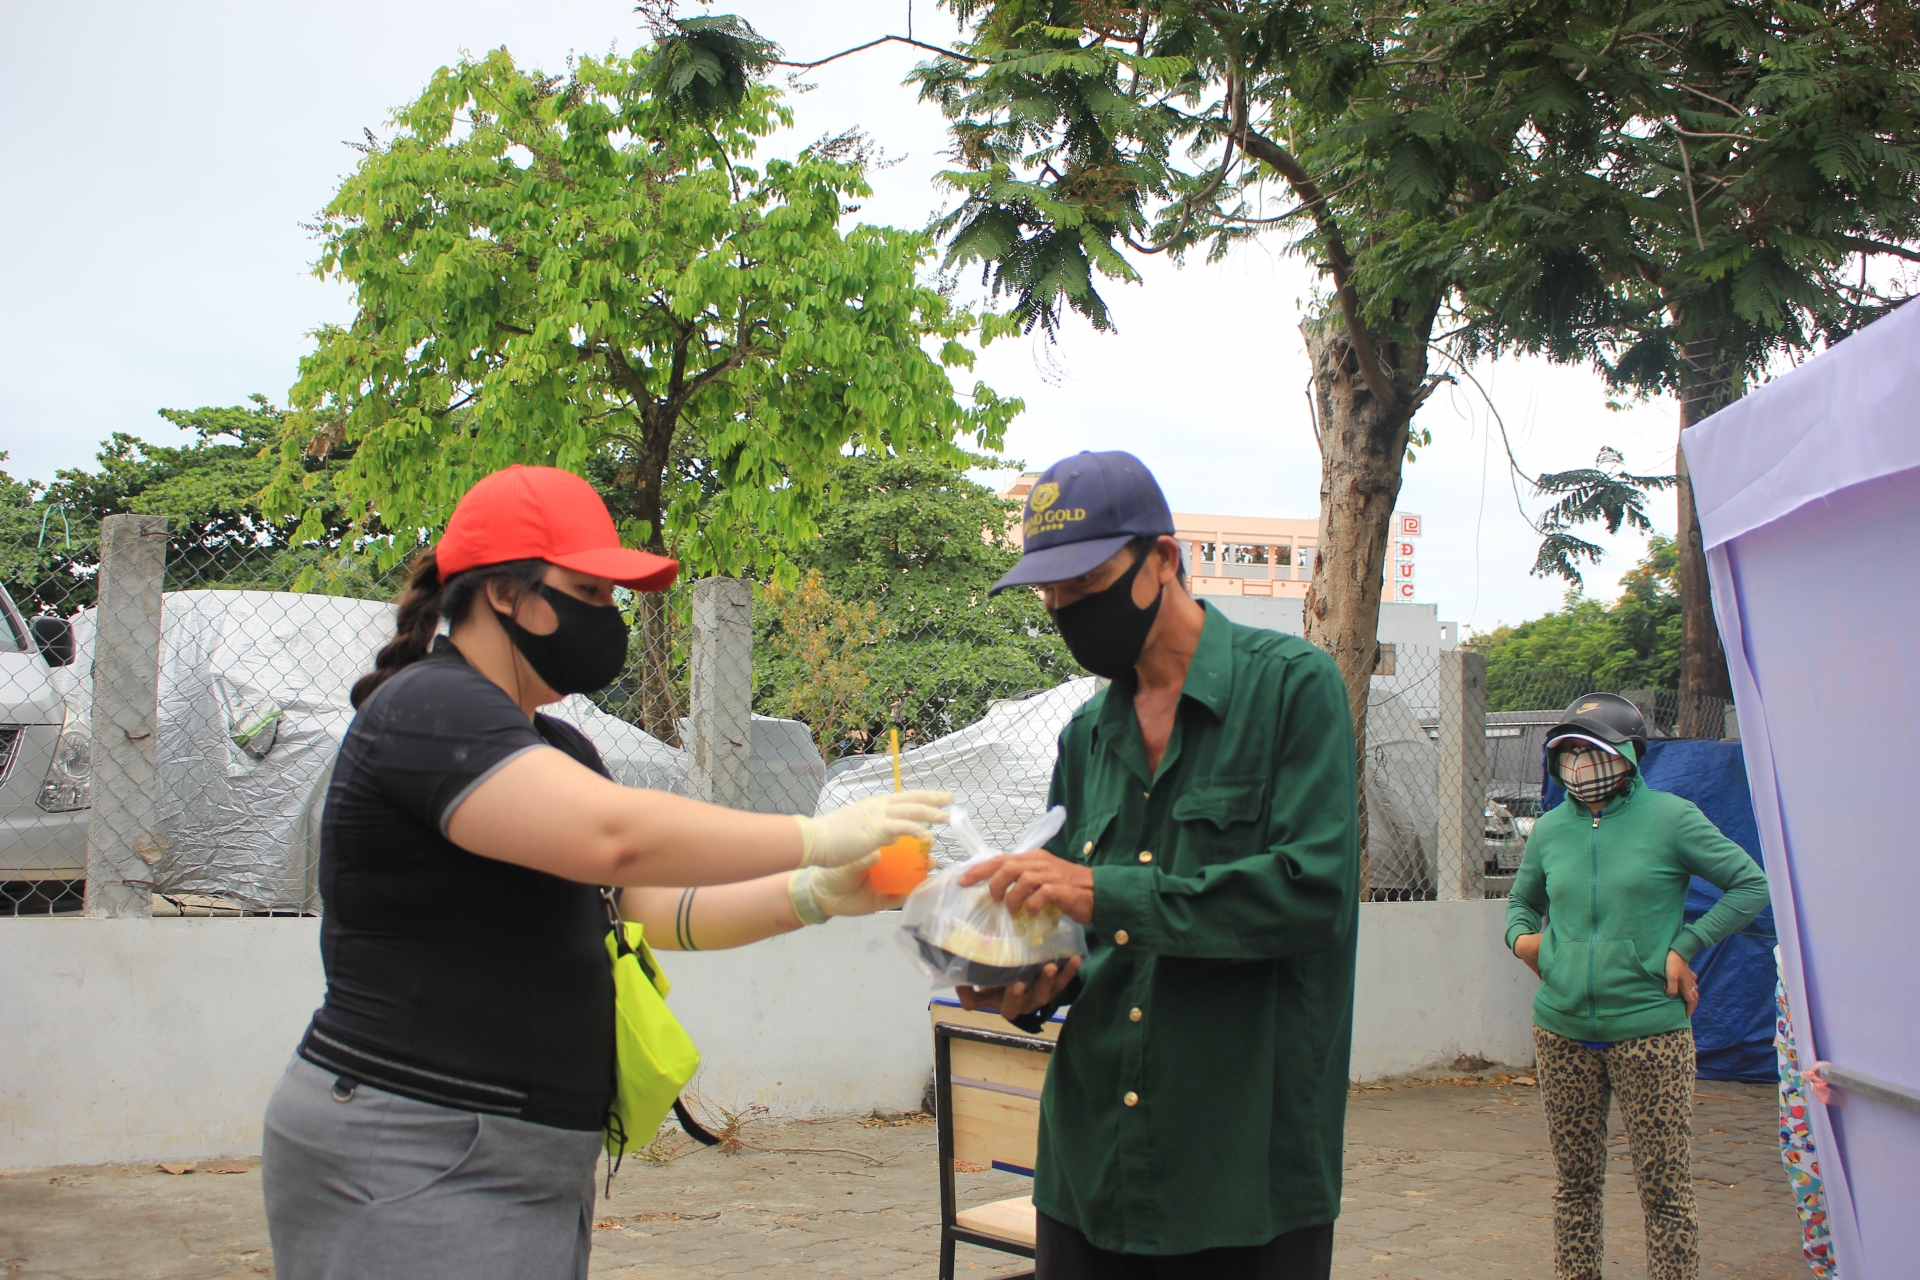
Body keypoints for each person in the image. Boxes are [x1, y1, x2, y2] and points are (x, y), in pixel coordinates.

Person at [260, 465, 949, 1280]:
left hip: (523, 1150)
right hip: (415, 1140)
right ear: (508, 594)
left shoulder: (555, 748)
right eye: (589, 590)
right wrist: (817, 835)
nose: (609, 618)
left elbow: (643, 907)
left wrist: (819, 894)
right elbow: (614, 840)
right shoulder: (425, 710)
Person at [955, 450, 1360, 1280]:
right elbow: (1080, 940)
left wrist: (1105, 891)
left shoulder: (1292, 691)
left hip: (1241, 1176)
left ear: (1164, 561)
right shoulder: (1084, 738)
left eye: (1086, 582)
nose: (1066, 608)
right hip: (1089, 1172)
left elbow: (1311, 895)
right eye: (1051, 594)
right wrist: (1031, 980)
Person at [1505, 694, 1770, 1280]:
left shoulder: (1672, 818)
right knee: (1574, 1185)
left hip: (1651, 1032)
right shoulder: (1549, 829)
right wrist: (1528, 944)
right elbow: (1522, 903)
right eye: (1568, 752)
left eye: (1593, 750)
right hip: (1561, 1032)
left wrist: (1686, 946)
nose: (1580, 763)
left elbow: (1751, 886)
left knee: (1665, 1190)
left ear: (1628, 756)